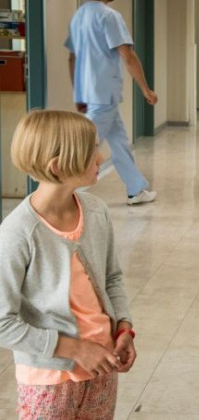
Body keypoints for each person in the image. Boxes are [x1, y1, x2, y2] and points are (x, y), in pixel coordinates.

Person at [0, 110, 137, 420]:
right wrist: (75, 349)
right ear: (58, 166)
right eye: (91, 151)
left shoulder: (97, 212)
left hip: (102, 368)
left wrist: (124, 328)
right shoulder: (18, 233)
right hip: (49, 381)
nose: (100, 157)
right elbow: (2, 322)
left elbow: (112, 279)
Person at [65, 0, 158, 205]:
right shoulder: (109, 16)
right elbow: (127, 56)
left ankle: (136, 189)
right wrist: (145, 89)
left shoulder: (79, 15)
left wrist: (78, 94)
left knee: (119, 144)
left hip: (92, 94)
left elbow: (72, 58)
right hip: (103, 95)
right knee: (83, 146)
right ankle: (61, 192)